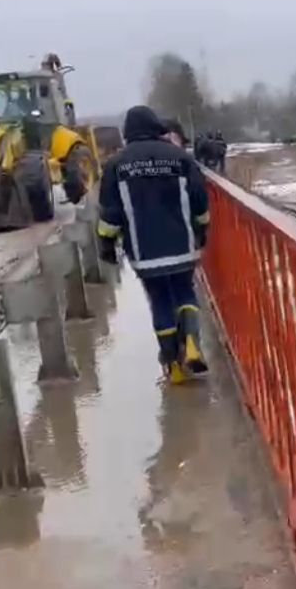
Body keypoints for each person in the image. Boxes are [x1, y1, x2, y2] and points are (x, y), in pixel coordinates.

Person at [96, 105, 210, 384]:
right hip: (182, 244)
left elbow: (110, 212)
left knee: (160, 300)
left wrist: (106, 245)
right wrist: (202, 228)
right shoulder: (180, 157)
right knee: (184, 292)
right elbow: (199, 199)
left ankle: (173, 365)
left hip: (144, 250)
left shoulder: (115, 164)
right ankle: (193, 342)